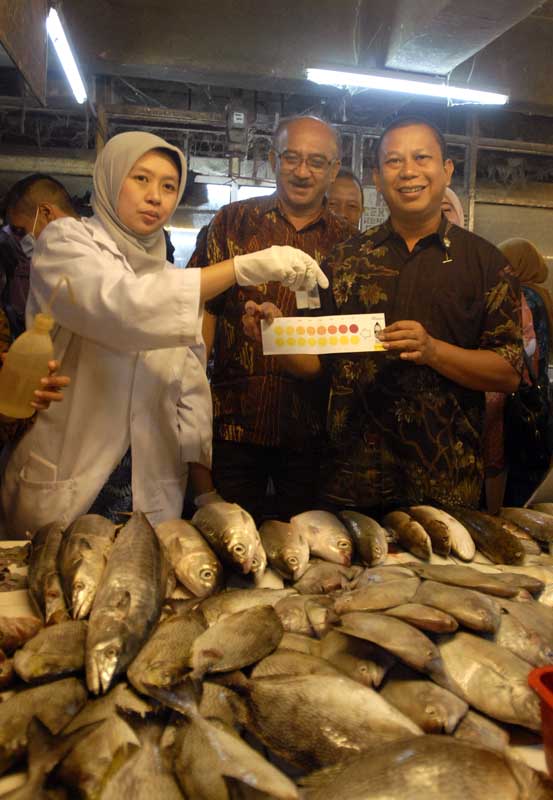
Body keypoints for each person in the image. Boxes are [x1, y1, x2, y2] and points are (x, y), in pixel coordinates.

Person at [0, 131, 327, 537]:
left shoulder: (172, 279)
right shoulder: (66, 242)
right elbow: (121, 306)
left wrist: (205, 493)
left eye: (169, 186)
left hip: (150, 490)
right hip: (71, 476)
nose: (155, 196)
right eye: (141, 179)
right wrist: (240, 269)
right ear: (110, 177)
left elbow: (190, 392)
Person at [244, 116, 522, 512]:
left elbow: (509, 372)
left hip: (446, 485)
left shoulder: (486, 264)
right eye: (393, 161)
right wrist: (275, 335)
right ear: (377, 177)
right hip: (349, 483)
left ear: (446, 171)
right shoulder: (344, 260)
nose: (408, 171)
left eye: (421, 158)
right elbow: (316, 364)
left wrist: (434, 352)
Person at [188, 115, 355, 522]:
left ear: (334, 170)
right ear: (270, 159)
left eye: (316, 162)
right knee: (228, 550)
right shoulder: (231, 222)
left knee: (306, 559)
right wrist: (189, 392)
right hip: (232, 425)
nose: (302, 171)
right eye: (291, 157)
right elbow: (201, 307)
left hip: (311, 434)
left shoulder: (349, 245)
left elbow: (347, 343)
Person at [498, 238, 553, 505]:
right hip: (540, 395)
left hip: (522, 396)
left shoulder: (522, 297)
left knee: (518, 475)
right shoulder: (543, 295)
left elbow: (519, 350)